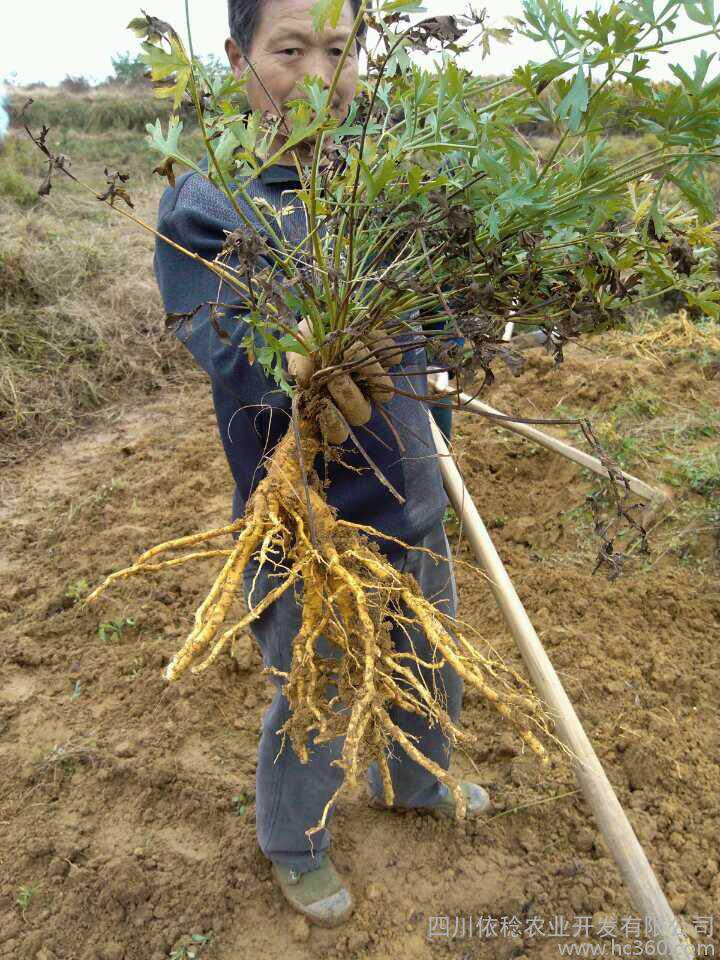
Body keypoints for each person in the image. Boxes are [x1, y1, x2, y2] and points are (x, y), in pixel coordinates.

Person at [153, 0, 490, 928]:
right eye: (288, 49)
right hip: (301, 515)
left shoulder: (387, 177)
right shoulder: (210, 198)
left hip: (412, 487)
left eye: (338, 50)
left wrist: (462, 341)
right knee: (316, 680)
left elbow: (441, 320)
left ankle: (415, 784)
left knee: (427, 650)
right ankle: (292, 840)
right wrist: (293, 354)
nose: (316, 75)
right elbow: (221, 341)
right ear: (236, 56)